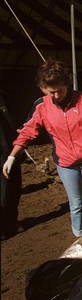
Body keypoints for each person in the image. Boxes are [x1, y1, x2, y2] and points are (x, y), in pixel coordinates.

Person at [2, 59, 82, 238]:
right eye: (50, 92)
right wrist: (12, 156)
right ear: (42, 87)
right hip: (65, 162)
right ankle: (80, 236)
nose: (56, 96)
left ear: (66, 84)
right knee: (76, 204)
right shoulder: (41, 106)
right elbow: (28, 132)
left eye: (59, 90)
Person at [1, 90, 22, 240]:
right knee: (3, 191)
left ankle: (11, 223)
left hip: (10, 148)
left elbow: (10, 119)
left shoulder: (3, 95)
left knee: (14, 187)